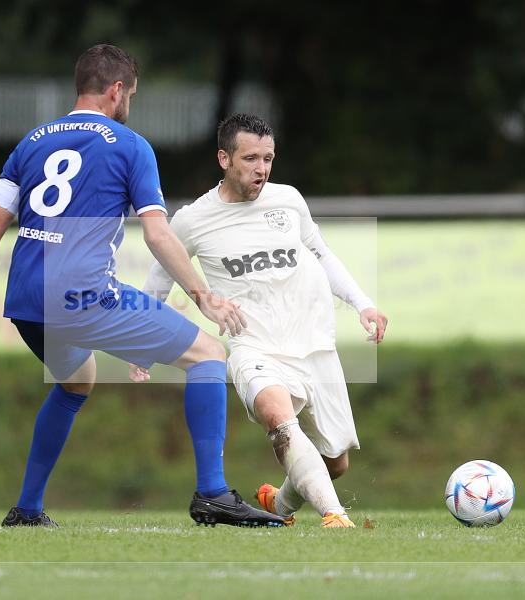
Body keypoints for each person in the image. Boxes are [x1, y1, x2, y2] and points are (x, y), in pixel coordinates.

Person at [0, 46, 284, 528]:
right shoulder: (129, 145)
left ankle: (27, 511)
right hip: (80, 293)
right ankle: (213, 494)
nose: (130, 105)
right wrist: (204, 295)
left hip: (24, 300)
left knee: (77, 380)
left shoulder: (31, 142)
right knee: (208, 354)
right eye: (132, 95)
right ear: (117, 90)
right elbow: (158, 232)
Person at [135, 113, 388, 528]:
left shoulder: (288, 200)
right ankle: (334, 515)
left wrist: (363, 303)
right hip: (253, 345)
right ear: (224, 158)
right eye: (251, 158)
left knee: (335, 463)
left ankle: (280, 503)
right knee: (276, 415)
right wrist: (141, 344)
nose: (262, 169)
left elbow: (321, 253)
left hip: (313, 343)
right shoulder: (192, 220)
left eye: (268, 158)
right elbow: (159, 279)